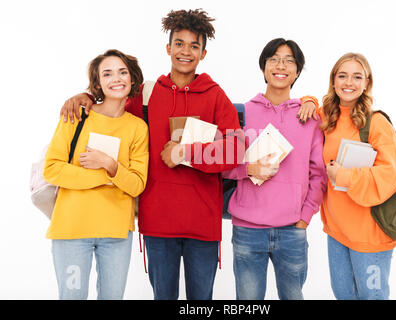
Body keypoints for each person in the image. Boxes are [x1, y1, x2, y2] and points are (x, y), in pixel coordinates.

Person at [58, 9, 243, 300]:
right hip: (157, 221)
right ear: (168, 48)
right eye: (179, 44)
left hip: (203, 222)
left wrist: (185, 153)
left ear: (204, 54)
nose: (186, 51)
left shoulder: (215, 96)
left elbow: (234, 150)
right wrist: (86, 97)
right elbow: (112, 105)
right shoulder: (145, 94)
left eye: (194, 46)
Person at [222, 38, 327, 300]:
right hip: (247, 229)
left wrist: (304, 218)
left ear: (298, 71)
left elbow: (319, 174)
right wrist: (248, 169)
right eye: (274, 59)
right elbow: (222, 166)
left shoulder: (310, 118)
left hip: (293, 229)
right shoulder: (241, 113)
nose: (281, 65)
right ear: (263, 67)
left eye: (289, 61)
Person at [43, 49, 149, 299]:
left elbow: (137, 185)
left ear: (132, 79)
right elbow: (52, 168)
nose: (117, 78)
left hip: (116, 234)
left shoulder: (137, 128)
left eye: (123, 72)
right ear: (98, 83)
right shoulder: (77, 115)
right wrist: (105, 176)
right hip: (72, 231)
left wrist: (110, 165)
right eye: (108, 73)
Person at [300, 52, 396, 299]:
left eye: (357, 77)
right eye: (342, 76)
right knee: (343, 295)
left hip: (369, 236)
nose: (349, 83)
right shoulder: (326, 117)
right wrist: (310, 100)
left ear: (367, 83)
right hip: (337, 231)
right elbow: (300, 108)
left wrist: (344, 176)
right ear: (333, 81)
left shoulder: (376, 123)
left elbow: (389, 177)